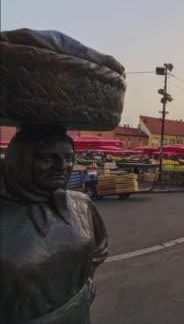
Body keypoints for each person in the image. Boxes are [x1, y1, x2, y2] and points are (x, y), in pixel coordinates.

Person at [0, 125, 108, 323]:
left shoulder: (82, 204)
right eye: (48, 157)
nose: (62, 166)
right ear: (21, 160)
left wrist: (82, 286)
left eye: (68, 158)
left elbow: (98, 249)